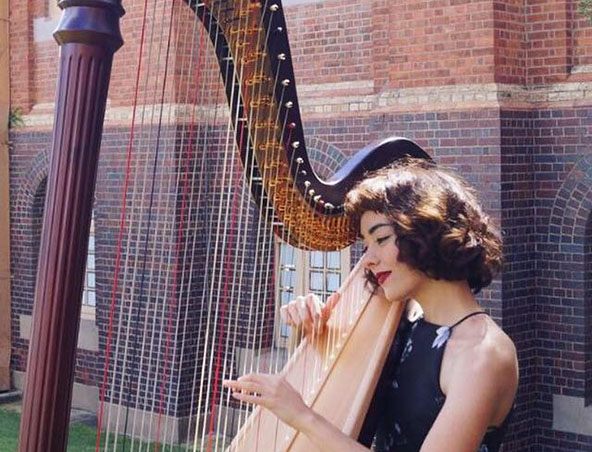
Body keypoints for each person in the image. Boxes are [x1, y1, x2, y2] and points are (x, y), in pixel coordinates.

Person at [223, 157, 519, 452]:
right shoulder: (408, 324)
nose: (368, 259)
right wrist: (312, 330)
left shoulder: (483, 354)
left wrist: (303, 416)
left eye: (381, 238)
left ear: (427, 231)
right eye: (366, 245)